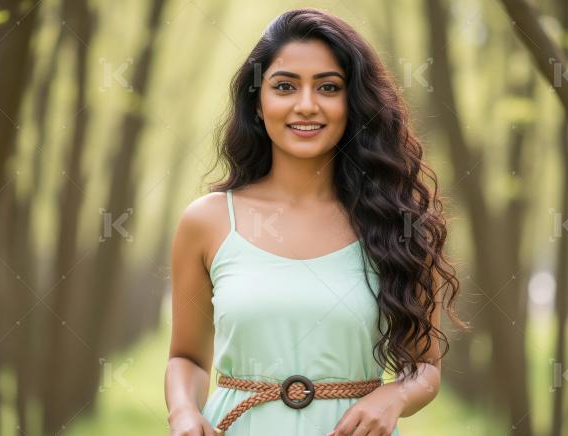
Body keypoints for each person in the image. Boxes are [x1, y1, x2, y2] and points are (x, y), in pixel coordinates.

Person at [164, 7, 465, 436]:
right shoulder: (207, 221)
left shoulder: (398, 223)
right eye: (285, 86)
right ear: (257, 100)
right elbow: (187, 359)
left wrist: (394, 395)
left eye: (328, 87)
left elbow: (425, 367)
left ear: (353, 101)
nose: (306, 106)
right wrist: (183, 413)